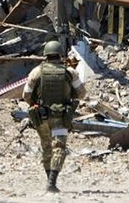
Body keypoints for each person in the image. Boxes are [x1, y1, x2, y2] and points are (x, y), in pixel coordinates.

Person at [24, 39, 85, 193]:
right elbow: (82, 94)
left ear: (45, 54)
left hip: (42, 117)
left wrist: (35, 103)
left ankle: (48, 180)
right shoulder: (69, 72)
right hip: (61, 118)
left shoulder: (37, 71)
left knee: (46, 147)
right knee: (59, 147)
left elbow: (26, 95)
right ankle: (52, 182)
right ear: (60, 54)